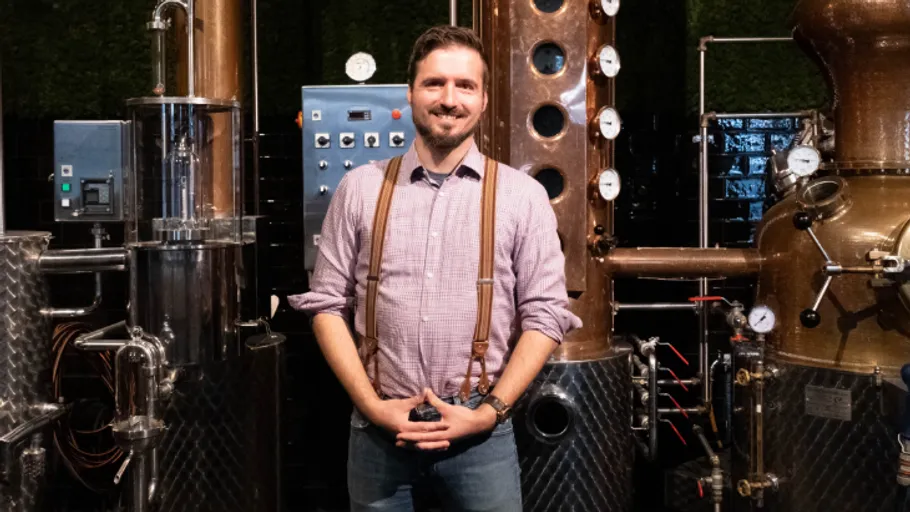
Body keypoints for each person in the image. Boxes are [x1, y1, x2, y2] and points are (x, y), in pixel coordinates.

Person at [289, 24, 581, 512]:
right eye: (435, 83)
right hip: (379, 434)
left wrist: (489, 412)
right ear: (410, 93)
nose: (449, 99)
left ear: (484, 99)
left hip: (480, 439)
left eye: (465, 85)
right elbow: (325, 306)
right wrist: (370, 405)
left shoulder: (521, 197)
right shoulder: (359, 189)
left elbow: (545, 315)